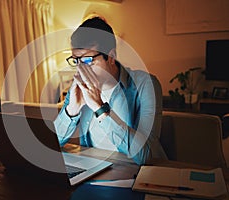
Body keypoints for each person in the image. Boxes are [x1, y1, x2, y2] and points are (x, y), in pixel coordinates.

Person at [54, 17, 167, 165]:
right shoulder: (78, 88)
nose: (81, 69)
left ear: (111, 57)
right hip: (93, 171)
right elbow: (54, 143)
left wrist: (100, 108)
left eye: (88, 60)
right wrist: (71, 111)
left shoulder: (146, 85)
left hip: (134, 173)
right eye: (76, 61)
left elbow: (146, 156)